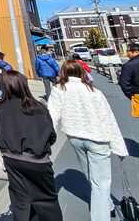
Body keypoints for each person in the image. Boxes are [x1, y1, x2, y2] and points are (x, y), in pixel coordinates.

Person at [48, 60, 127, 221]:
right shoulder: (93, 91)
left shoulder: (59, 89)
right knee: (101, 183)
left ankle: (108, 205)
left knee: (91, 175)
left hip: (75, 137)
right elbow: (108, 119)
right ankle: (101, 216)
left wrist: (47, 141)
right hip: (98, 139)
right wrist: (119, 147)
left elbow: (52, 117)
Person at [0, 70, 62, 221]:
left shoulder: (0, 105)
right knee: (46, 200)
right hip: (38, 160)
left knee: (20, 200)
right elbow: (51, 135)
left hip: (10, 159)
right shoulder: (38, 107)